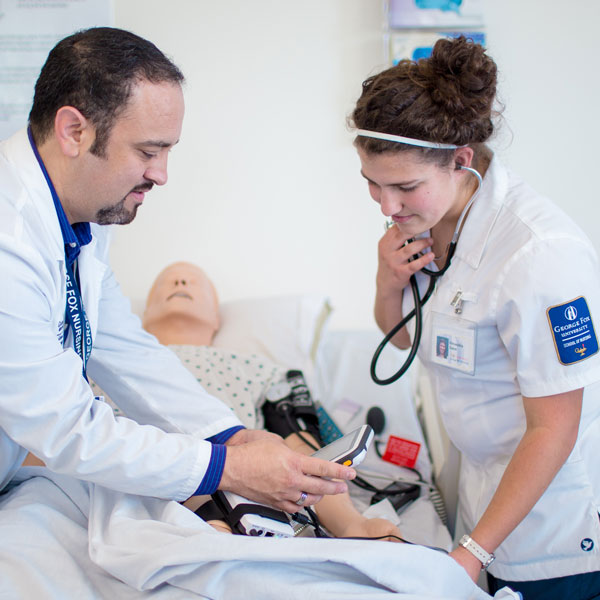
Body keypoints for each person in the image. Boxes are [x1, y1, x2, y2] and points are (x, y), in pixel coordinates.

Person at [0, 25, 355, 569]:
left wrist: (234, 437)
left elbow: (120, 346)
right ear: (73, 130)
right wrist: (227, 469)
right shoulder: (8, 234)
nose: (162, 175)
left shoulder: (82, 213)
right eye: (148, 150)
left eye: (168, 150)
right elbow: (67, 429)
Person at [350, 35, 600, 599]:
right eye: (372, 183)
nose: (387, 207)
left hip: (553, 522)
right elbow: (408, 337)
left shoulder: (541, 254)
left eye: (403, 186)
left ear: (462, 161)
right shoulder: (428, 220)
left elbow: (554, 428)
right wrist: (387, 280)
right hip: (487, 494)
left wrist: (472, 552)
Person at [137, 260, 403, 540]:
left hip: (238, 489)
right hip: (147, 481)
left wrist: (350, 522)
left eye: (194, 282)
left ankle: (351, 528)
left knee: (296, 465)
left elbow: (294, 440)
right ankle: (210, 533)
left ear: (216, 317)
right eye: (167, 282)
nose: (180, 284)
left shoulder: (250, 366)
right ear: (142, 316)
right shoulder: (111, 364)